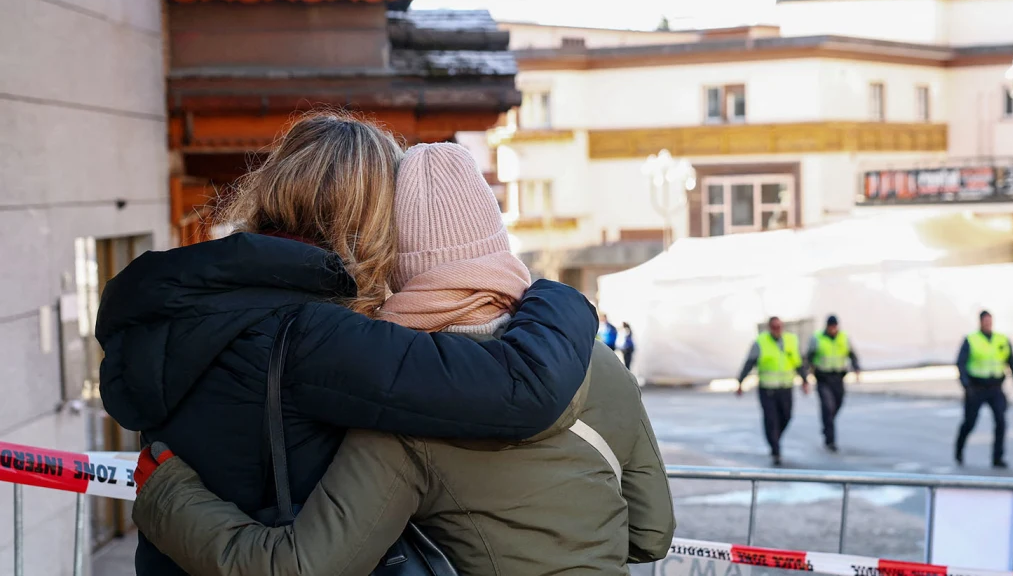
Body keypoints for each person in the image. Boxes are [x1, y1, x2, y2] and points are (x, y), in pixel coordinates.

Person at [128, 143, 675, 575]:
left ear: (396, 258)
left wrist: (164, 493)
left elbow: (303, 565)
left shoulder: (399, 415)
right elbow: (651, 536)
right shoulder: (596, 362)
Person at [954, 310, 1013, 469]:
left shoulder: (1002, 339)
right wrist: (966, 385)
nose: (988, 324)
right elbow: (961, 363)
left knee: (1001, 422)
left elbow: (1011, 363)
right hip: (976, 388)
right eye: (985, 321)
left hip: (995, 388)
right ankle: (959, 451)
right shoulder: (971, 339)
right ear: (980, 322)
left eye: (990, 321)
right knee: (969, 423)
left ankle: (997, 458)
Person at [736, 316, 801, 466]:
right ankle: (776, 450)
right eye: (774, 327)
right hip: (767, 389)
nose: (777, 330)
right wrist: (740, 382)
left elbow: (797, 361)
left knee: (786, 417)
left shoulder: (790, 340)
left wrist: (804, 379)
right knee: (771, 420)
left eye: (780, 327)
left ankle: (775, 440)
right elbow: (749, 362)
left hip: (785, 388)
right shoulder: (760, 342)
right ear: (769, 328)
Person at [801, 315, 861, 453]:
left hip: (839, 378)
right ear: (827, 326)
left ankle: (827, 425)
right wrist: (805, 377)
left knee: (837, 405)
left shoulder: (844, 337)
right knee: (828, 407)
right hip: (823, 378)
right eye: (831, 326)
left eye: (835, 326)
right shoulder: (817, 338)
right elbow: (808, 358)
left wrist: (856, 368)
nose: (833, 329)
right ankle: (830, 440)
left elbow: (852, 354)